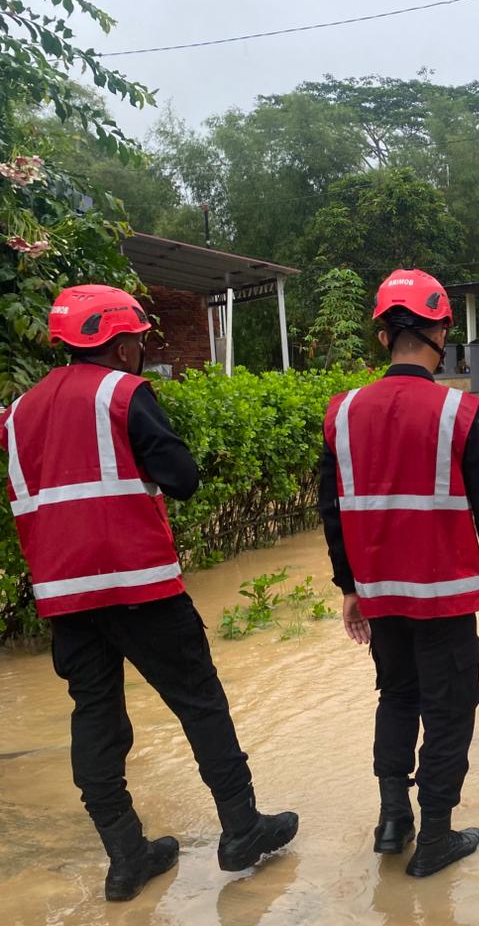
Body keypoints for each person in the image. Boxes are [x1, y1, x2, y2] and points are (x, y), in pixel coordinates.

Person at [0, 285, 298, 902]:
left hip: (65, 599)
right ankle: (241, 829)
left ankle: (125, 855)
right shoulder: (124, 395)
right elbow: (183, 479)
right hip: (139, 584)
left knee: (97, 720)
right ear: (115, 341)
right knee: (200, 702)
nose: (140, 347)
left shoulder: (16, 412)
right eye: (136, 337)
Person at [318, 268, 479, 879]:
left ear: (383, 337)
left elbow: (331, 507)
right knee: (452, 707)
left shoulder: (343, 411)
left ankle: (391, 821)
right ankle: (435, 836)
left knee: (398, 696)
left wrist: (348, 587)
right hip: (444, 596)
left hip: (379, 596)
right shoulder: (459, 410)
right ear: (440, 332)